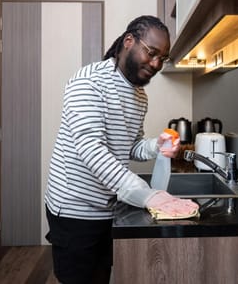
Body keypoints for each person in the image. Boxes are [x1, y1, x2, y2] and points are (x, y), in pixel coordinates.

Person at [44, 15, 198, 284]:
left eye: (162, 58)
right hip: (74, 210)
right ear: (129, 41)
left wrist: (155, 145)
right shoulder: (88, 83)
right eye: (151, 53)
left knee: (101, 277)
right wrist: (146, 195)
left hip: (109, 208)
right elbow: (91, 148)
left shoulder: (140, 96)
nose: (156, 64)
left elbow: (132, 146)